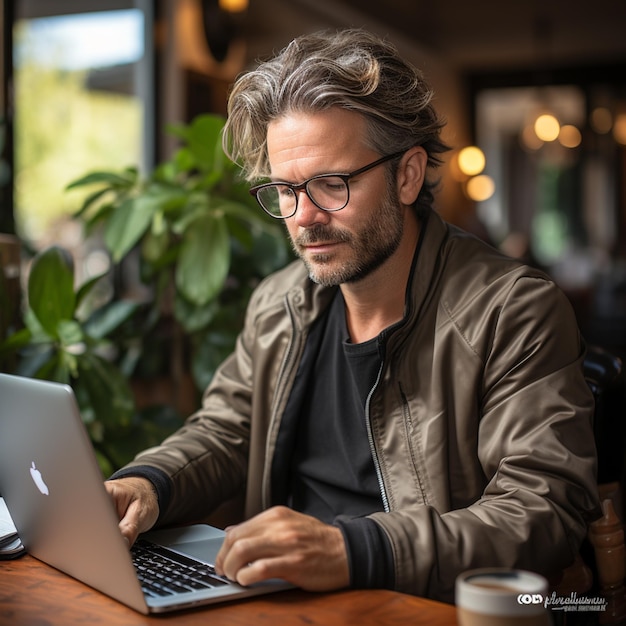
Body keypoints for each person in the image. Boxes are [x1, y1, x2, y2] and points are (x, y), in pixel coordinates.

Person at [105, 28, 600, 603]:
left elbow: (542, 511)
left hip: (409, 603)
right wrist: (150, 483)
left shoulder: (511, 310)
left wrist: (352, 551)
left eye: (330, 183)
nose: (304, 217)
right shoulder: (277, 303)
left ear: (408, 175)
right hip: (277, 598)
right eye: (286, 190)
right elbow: (227, 432)